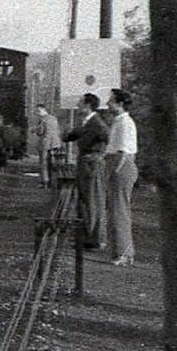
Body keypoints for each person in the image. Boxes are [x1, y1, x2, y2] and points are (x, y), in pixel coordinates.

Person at [62, 93, 108, 250]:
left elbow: (107, 138)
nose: (77, 105)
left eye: (80, 103)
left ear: (87, 106)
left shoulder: (97, 124)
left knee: (91, 201)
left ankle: (95, 239)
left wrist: (99, 154)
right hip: (85, 164)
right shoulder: (86, 122)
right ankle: (87, 236)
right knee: (84, 200)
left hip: (91, 165)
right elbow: (70, 137)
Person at [103, 88, 139, 265]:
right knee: (115, 210)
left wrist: (113, 172)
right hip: (116, 164)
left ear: (120, 104)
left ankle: (125, 254)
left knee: (119, 210)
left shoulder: (125, 123)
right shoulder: (118, 122)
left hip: (121, 166)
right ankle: (118, 251)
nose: (108, 103)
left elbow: (123, 151)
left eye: (111, 101)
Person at [33, 103, 62, 187]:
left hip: (45, 143)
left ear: (42, 110)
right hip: (55, 143)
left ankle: (45, 181)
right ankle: (51, 181)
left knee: (43, 162)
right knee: (51, 162)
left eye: (38, 111)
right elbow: (57, 130)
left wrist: (35, 130)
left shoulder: (43, 120)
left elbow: (40, 132)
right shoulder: (54, 118)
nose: (37, 113)